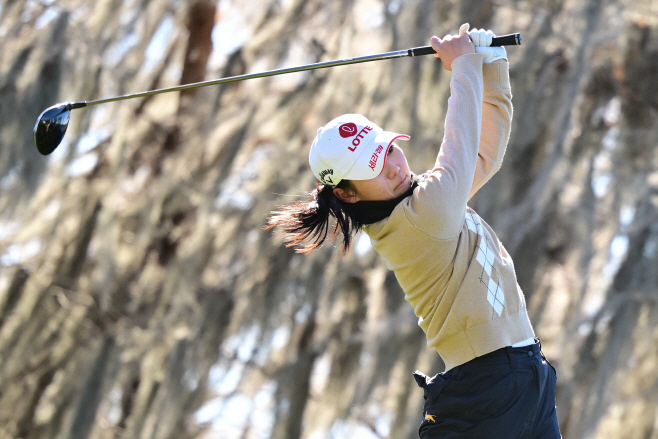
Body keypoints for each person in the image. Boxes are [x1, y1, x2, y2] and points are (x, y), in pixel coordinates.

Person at [266, 24, 561, 439]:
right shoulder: (416, 219)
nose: (393, 166)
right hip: (486, 388)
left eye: (388, 149)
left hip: (527, 376)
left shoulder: (426, 199)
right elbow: (460, 150)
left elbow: (484, 155)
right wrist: (464, 65)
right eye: (373, 167)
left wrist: (492, 64)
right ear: (347, 194)